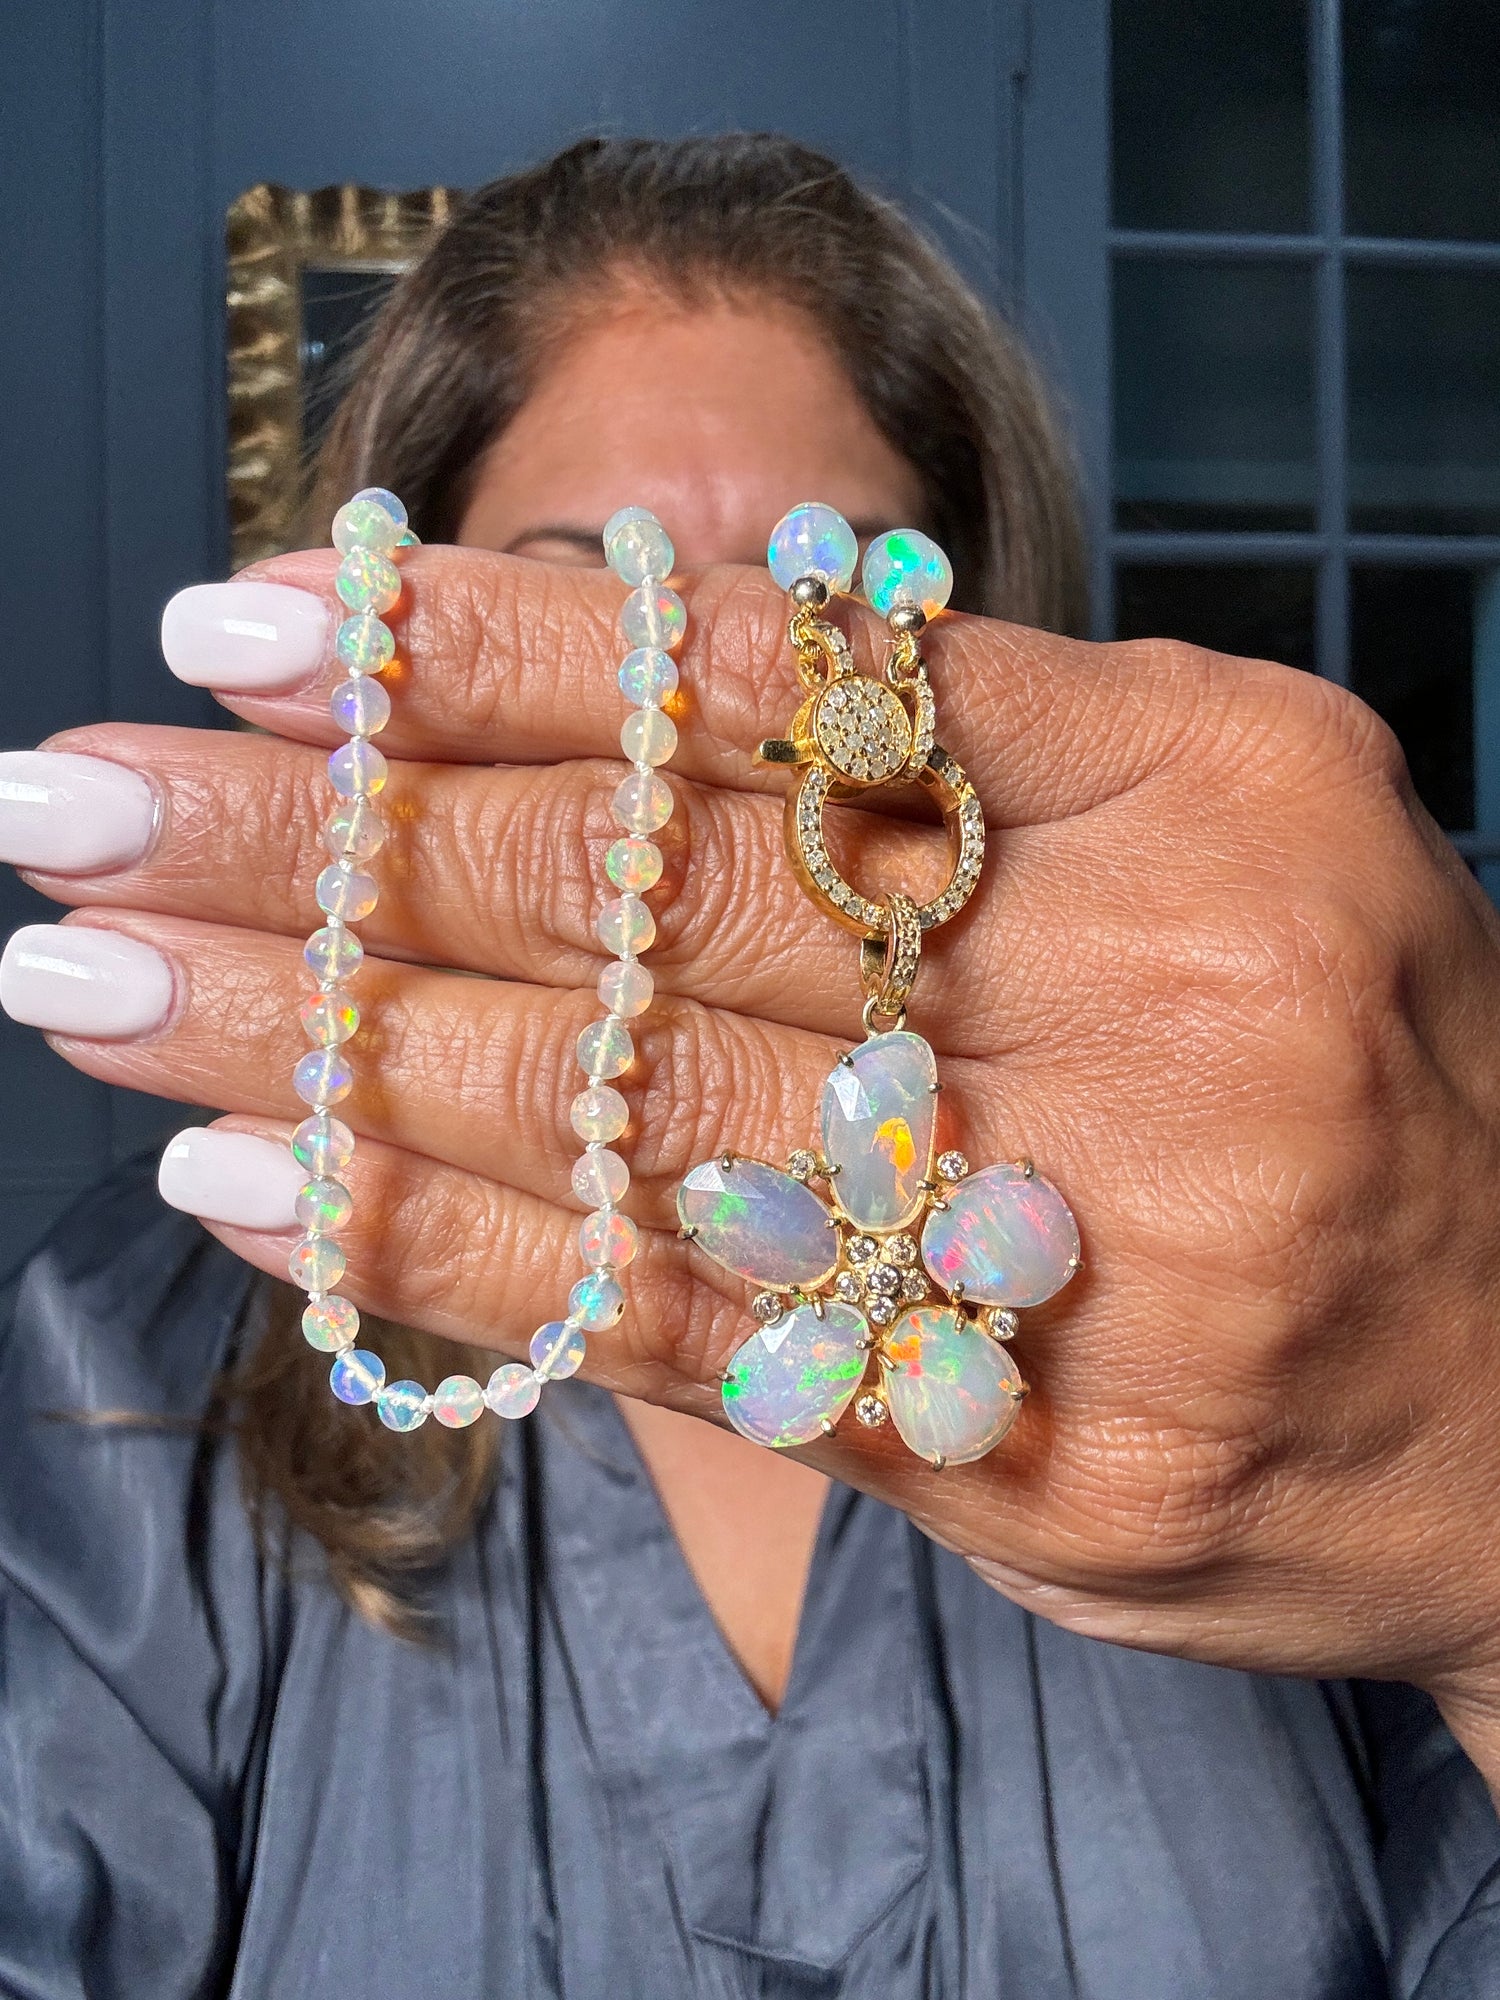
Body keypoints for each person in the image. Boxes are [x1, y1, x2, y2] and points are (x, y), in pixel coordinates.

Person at [0, 133, 1497, 1998]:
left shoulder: (1279, 1303)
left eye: (817, 608)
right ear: (408, 676)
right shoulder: (126, 1367)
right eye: (591, 607)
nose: (704, 710)